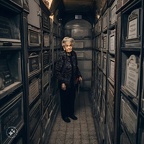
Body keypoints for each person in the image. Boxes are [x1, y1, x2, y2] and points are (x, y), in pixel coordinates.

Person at [55, 37, 82, 123]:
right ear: (64, 47)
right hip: (64, 82)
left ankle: (71, 113)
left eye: (70, 45)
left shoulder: (74, 54)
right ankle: (64, 115)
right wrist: (62, 82)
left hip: (73, 81)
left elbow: (76, 66)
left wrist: (79, 75)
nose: (69, 47)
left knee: (72, 98)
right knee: (64, 100)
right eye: (67, 46)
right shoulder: (61, 56)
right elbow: (57, 71)